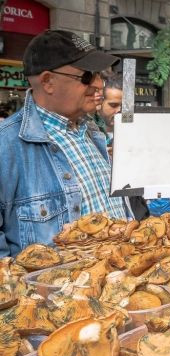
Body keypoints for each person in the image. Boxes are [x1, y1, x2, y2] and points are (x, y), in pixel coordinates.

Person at [0, 30, 131, 258]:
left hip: (121, 281)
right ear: (48, 82)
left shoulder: (91, 130)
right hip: (58, 291)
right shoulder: (7, 145)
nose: (99, 84)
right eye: (87, 76)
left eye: (99, 74)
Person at [93, 73, 122, 146]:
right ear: (100, 102)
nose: (119, 110)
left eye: (125, 106)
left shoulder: (133, 131)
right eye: (113, 105)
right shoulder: (88, 130)